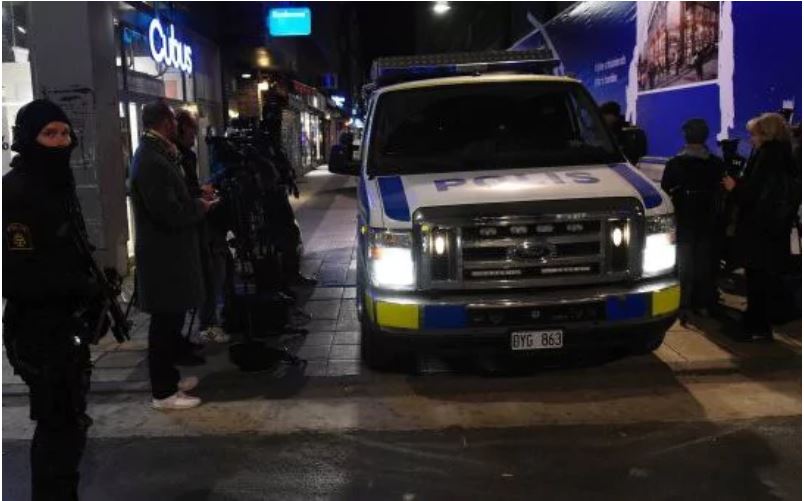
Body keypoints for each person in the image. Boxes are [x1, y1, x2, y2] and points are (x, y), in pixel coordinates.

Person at [3, 99, 99, 500]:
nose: (60, 142)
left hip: (64, 325)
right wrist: (76, 285)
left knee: (70, 421)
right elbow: (17, 276)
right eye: (49, 134)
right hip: (37, 330)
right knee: (56, 426)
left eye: (64, 133)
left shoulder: (57, 183)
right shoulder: (17, 191)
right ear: (29, 138)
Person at [130, 100, 216, 410]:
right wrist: (200, 207)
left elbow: (173, 198)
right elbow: (168, 212)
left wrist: (195, 197)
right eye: (173, 121)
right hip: (163, 256)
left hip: (170, 253)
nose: (177, 127)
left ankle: (169, 378)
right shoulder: (151, 159)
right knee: (164, 324)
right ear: (166, 122)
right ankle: (163, 393)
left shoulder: (158, 154)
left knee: (171, 319)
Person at [723, 113, 798, 341]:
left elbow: (753, 194)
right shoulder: (787, 155)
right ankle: (757, 323)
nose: (751, 139)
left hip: (759, 229)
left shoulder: (766, 157)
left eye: (754, 135)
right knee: (765, 279)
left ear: (766, 134)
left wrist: (734, 187)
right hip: (776, 230)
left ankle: (756, 327)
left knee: (757, 279)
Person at [661, 118, 725, 324]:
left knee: (684, 264)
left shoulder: (675, 163)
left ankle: (684, 303)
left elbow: (665, 190)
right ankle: (703, 302)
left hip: (684, 219)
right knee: (705, 262)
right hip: (708, 220)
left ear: (685, 136)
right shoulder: (716, 164)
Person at [175, 109, 230, 344]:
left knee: (216, 268)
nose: (194, 136)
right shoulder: (174, 157)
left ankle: (210, 321)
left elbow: (187, 188)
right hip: (191, 226)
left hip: (197, 220)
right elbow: (180, 194)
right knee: (211, 271)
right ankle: (207, 324)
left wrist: (200, 191)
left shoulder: (186, 155)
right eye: (192, 131)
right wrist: (201, 199)